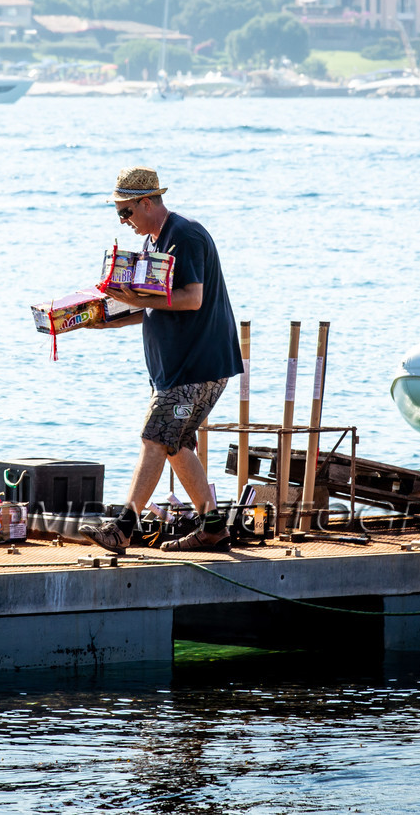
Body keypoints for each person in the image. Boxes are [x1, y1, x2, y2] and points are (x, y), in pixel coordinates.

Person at [79, 166, 243, 554]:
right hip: (180, 369)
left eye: (126, 212)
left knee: (153, 438)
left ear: (147, 203)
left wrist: (135, 299)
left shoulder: (184, 235)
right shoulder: (155, 241)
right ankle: (213, 529)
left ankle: (122, 529)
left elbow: (192, 299)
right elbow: (156, 307)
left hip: (196, 366)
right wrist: (109, 320)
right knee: (176, 444)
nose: (123, 221)